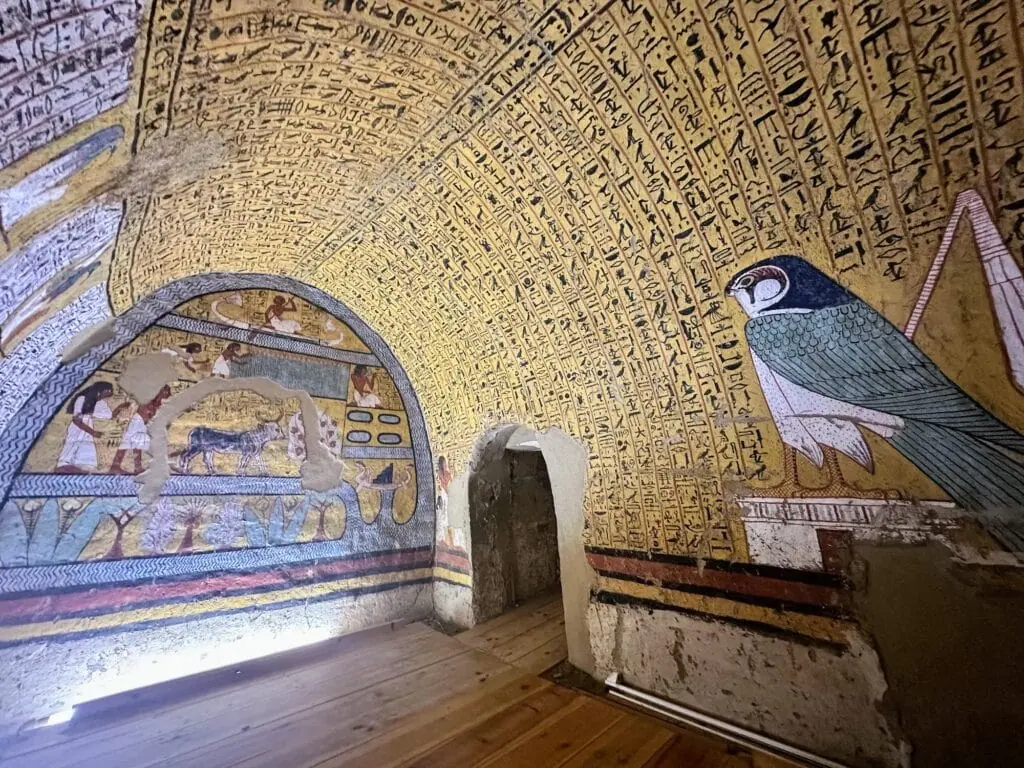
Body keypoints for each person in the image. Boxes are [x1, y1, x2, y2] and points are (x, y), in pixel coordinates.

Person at [56, 382, 124, 473]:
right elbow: (76, 420)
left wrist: (121, 407)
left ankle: (80, 470)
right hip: (79, 428)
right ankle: (63, 468)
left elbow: (108, 415)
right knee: (71, 449)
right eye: (106, 394)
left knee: (87, 453)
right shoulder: (82, 399)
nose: (105, 398)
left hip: (88, 427)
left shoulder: (100, 403)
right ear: (101, 390)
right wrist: (93, 432)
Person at [109, 385, 172, 474]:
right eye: (165, 393)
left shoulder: (158, 404)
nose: (166, 395)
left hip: (143, 424)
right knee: (126, 442)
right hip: (137, 421)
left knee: (138, 444)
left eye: (167, 394)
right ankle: (115, 466)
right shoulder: (148, 399)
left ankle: (137, 468)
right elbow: (129, 403)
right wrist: (116, 412)